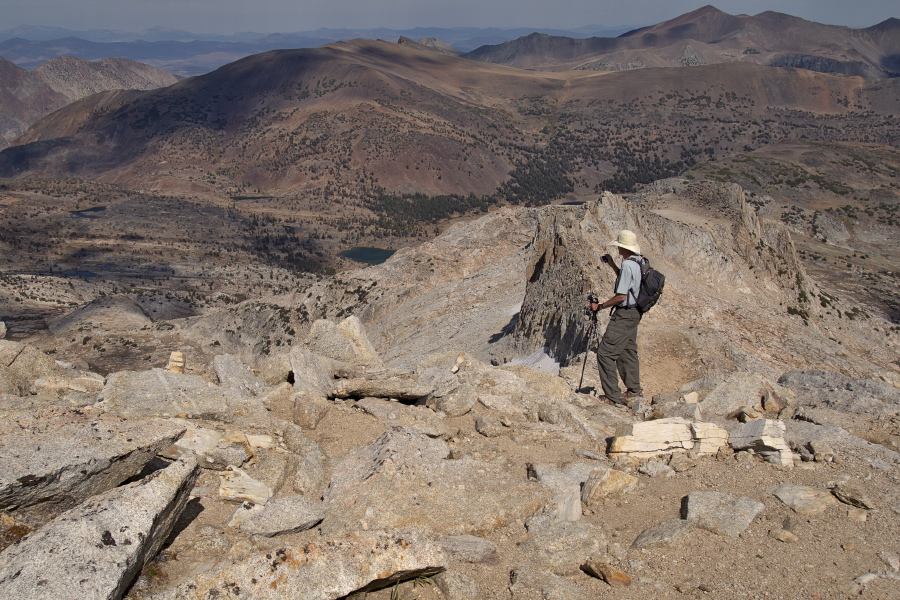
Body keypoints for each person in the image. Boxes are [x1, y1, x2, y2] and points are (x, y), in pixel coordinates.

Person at [589, 229, 643, 404]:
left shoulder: (628, 264)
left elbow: (622, 296)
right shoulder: (639, 261)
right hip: (635, 313)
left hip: (625, 315)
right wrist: (612, 265)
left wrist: (601, 306)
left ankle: (612, 396)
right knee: (627, 352)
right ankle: (634, 390)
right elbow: (629, 283)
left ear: (621, 246)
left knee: (605, 353)